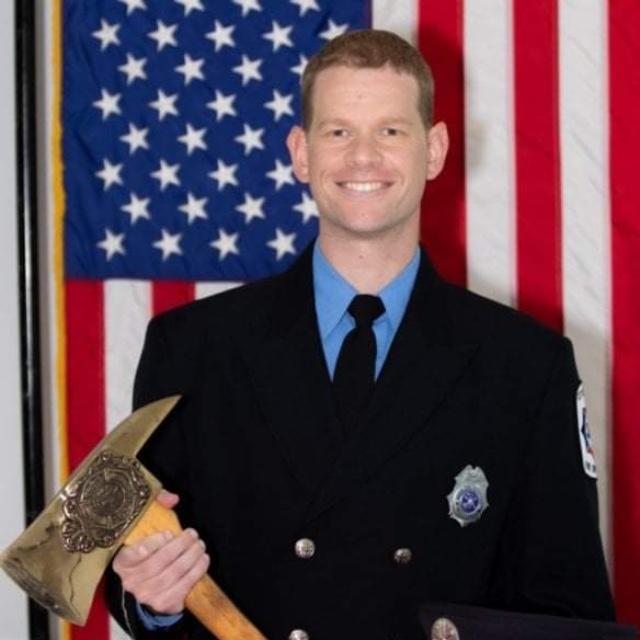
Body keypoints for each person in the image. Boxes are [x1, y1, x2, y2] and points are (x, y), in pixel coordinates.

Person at [106, 29, 615, 640]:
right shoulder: (192, 349)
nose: (363, 157)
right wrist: (155, 600)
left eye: (390, 131)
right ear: (301, 152)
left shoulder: (527, 367)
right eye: (339, 132)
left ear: (435, 150)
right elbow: (137, 559)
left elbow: (566, 612)